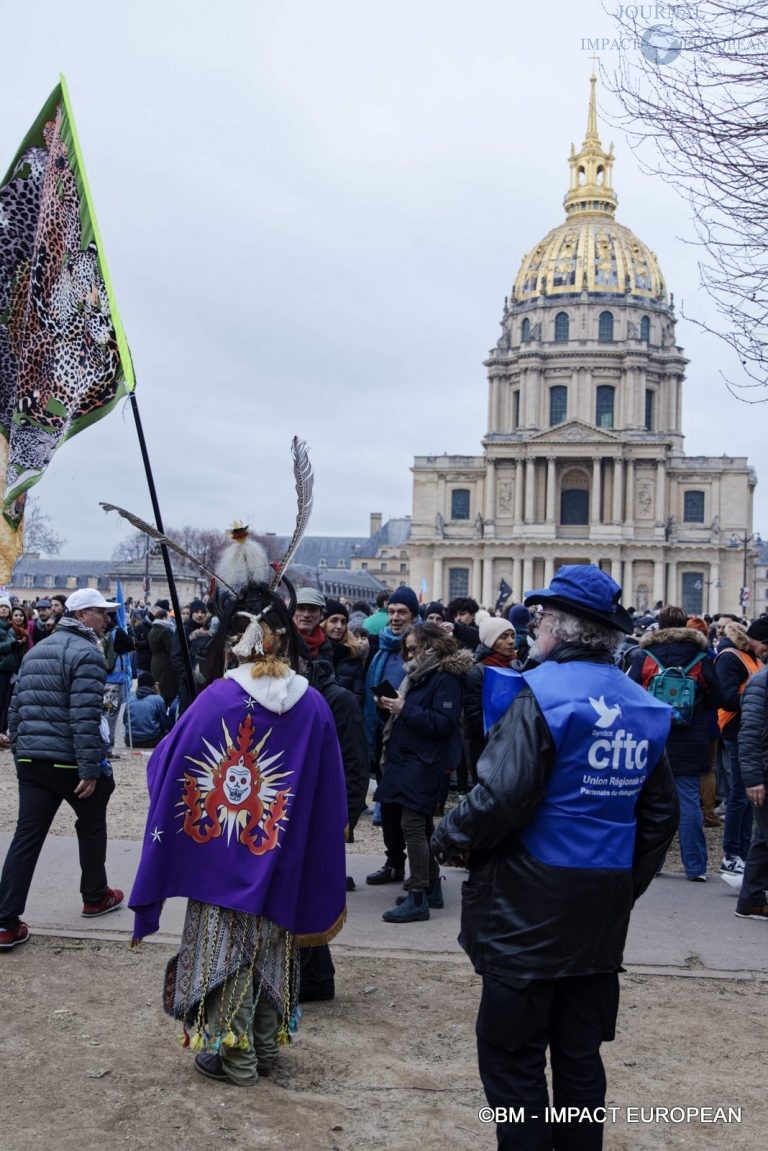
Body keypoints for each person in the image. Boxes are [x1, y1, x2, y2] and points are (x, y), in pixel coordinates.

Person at [432, 565, 678, 1151]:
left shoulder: (541, 694)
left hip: (527, 907)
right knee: (578, 1057)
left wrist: (448, 836)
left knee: (512, 1057)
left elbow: (500, 797)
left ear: (562, 628)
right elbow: (660, 816)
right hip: (599, 908)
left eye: (542, 616)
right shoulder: (642, 705)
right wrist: (622, 883)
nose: (535, 623)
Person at [129, 573, 347, 1086]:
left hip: (221, 858)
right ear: (283, 637)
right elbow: (331, 790)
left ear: (237, 642)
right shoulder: (312, 703)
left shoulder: (217, 699)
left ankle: (237, 1059)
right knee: (273, 948)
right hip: (283, 854)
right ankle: (267, 1048)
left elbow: (167, 760)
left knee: (226, 953)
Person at [0, 588, 124, 950]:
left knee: (27, 836)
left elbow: (15, 708)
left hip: (32, 760)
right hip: (68, 760)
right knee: (92, 817)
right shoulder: (86, 652)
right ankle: (95, 894)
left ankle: (5, 922)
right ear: (83, 614)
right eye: (101, 612)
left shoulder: (37, 650)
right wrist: (89, 767)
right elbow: (85, 715)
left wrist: (20, 756)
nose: (106, 618)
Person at [375, 623, 470, 923]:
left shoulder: (444, 677)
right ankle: (431, 889)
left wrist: (404, 709)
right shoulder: (422, 673)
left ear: (432, 645)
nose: (411, 653)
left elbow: (443, 723)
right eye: (409, 648)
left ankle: (418, 896)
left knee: (413, 826)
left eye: (416, 647)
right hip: (413, 760)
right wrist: (392, 706)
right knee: (422, 825)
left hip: (424, 763)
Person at [627, 605, 722, 882]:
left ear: (660, 624)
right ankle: (695, 867)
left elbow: (632, 692)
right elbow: (716, 696)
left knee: (651, 802)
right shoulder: (701, 657)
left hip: (652, 735)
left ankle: (652, 863)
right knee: (689, 801)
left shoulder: (645, 657)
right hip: (690, 736)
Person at [363, 586, 419, 873]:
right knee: (387, 798)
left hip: (412, 733)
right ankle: (393, 860)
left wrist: (402, 705)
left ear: (414, 615)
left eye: (402, 612)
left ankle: (422, 872)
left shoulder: (421, 647)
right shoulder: (381, 647)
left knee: (411, 808)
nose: (395, 617)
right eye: (392, 611)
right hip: (384, 728)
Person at [715, 619, 767, 875]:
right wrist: (755, 697)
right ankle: (732, 852)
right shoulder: (731, 657)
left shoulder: (751, 658)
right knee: (739, 795)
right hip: (736, 730)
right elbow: (726, 697)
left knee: (747, 799)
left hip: (745, 728)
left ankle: (742, 851)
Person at [734, 664, 768, 919]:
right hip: (763, 773)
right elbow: (750, 733)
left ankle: (752, 899)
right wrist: (754, 779)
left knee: (763, 838)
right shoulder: (761, 682)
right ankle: (751, 899)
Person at [321, 599, 366, 705]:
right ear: (323, 623)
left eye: (343, 622)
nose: (339, 626)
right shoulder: (315, 651)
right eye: (334, 620)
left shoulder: (353, 654)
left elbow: (359, 694)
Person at [124, 672, 171, 749]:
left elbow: (125, 720)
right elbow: (163, 722)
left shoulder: (131, 699)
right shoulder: (157, 699)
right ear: (153, 686)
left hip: (131, 741)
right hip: (151, 740)